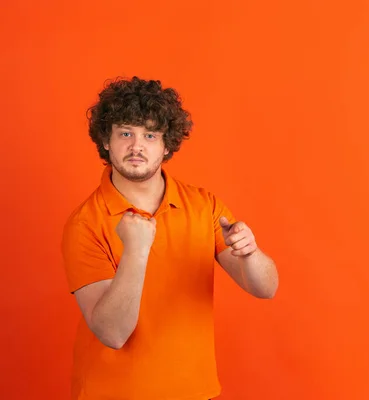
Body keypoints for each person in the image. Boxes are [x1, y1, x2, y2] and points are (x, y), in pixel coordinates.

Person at [60, 76, 279, 400]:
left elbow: (265, 289)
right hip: (113, 393)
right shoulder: (84, 223)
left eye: (149, 135)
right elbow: (112, 333)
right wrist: (135, 251)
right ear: (106, 140)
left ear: (166, 145)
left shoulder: (205, 207)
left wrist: (251, 254)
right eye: (125, 133)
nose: (137, 146)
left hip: (193, 391)